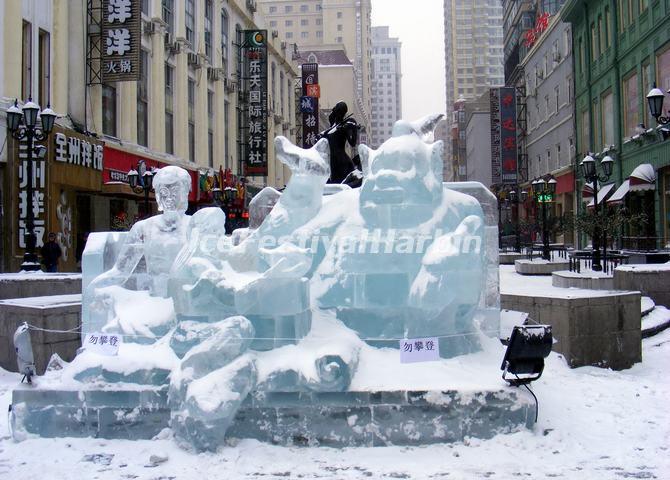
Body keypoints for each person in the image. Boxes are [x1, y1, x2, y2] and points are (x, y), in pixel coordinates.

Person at [317, 101, 361, 184]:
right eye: (338, 111)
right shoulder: (332, 126)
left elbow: (353, 143)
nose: (339, 114)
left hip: (341, 161)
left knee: (340, 185)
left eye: (341, 112)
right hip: (332, 161)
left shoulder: (346, 124)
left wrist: (354, 130)